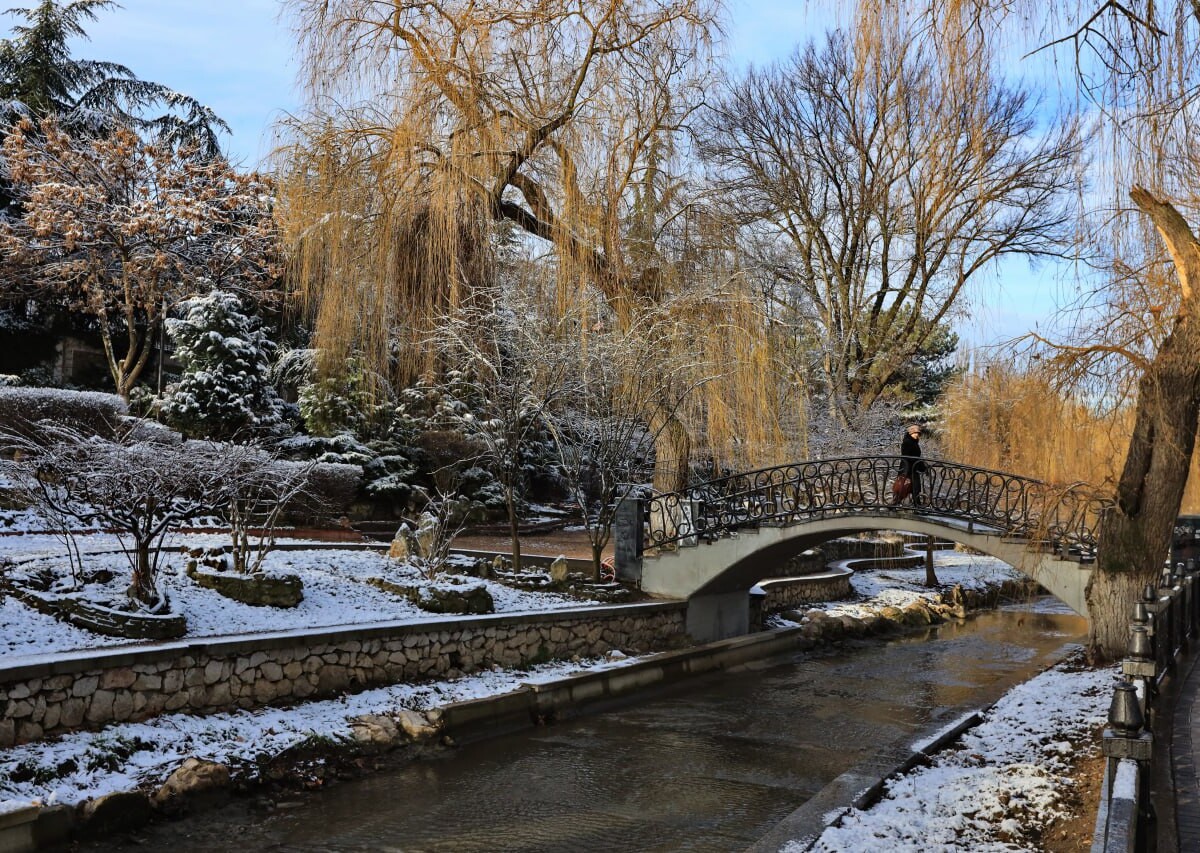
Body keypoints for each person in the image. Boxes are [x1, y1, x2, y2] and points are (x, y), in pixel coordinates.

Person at [899, 424, 926, 506]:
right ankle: (917, 506)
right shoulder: (907, 442)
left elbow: (917, 457)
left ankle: (917, 505)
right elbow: (906, 456)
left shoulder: (914, 442)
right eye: (915, 433)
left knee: (914, 488)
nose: (917, 435)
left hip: (913, 469)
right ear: (910, 433)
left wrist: (922, 466)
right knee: (907, 487)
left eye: (918, 433)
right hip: (908, 469)